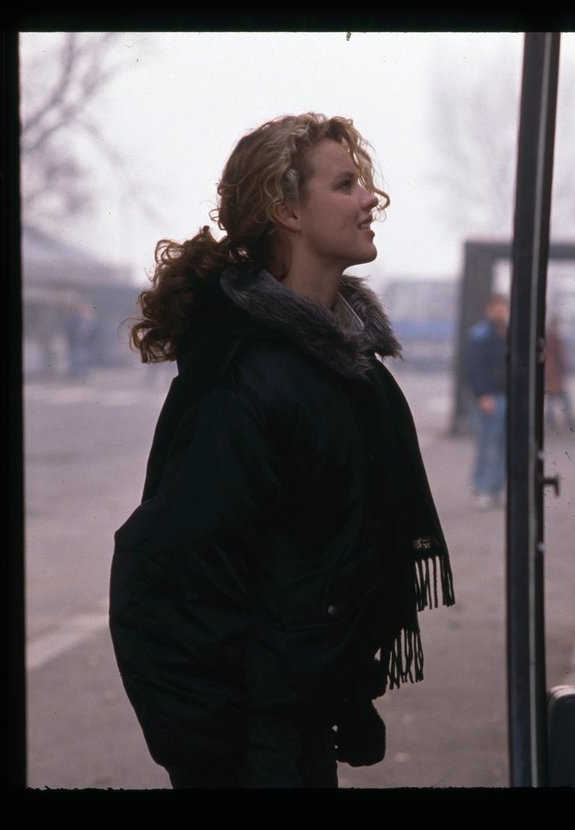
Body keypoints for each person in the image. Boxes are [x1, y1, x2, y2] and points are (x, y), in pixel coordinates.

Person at [109, 113, 455, 789]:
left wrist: (339, 694)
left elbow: (323, 556)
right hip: (252, 742)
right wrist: (215, 758)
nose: (370, 199)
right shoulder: (246, 375)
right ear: (285, 210)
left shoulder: (346, 367)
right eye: (347, 183)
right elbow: (167, 577)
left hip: (297, 723)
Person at [465, 293, 508, 507]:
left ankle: (496, 488)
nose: (501, 311)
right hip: (488, 396)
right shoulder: (481, 334)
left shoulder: (506, 333)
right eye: (497, 306)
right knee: (486, 443)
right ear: (489, 309)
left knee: (501, 443)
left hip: (504, 395)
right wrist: (482, 394)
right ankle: (481, 487)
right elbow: (475, 367)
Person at [544, 315, 575, 430]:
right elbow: (558, 355)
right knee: (561, 396)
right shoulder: (553, 338)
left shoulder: (550, 337)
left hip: (552, 372)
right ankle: (567, 418)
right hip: (553, 372)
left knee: (552, 397)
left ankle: (552, 418)